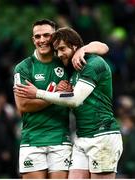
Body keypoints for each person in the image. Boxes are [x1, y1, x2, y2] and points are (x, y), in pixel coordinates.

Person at [14, 27, 123, 179]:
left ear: (75, 46)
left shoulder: (93, 64)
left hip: (102, 135)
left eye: (62, 49)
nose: (59, 54)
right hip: (82, 137)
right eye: (57, 50)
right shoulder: (72, 67)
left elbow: (75, 100)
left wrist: (37, 93)